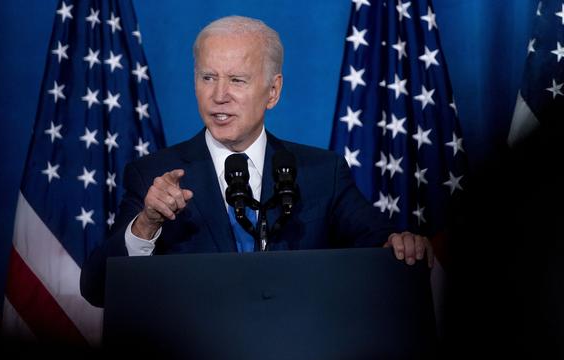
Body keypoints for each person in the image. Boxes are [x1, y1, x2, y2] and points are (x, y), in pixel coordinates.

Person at [80, 15, 433, 307]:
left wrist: (400, 245)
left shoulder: (323, 173)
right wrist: (146, 223)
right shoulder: (153, 177)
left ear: (273, 91)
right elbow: (97, 288)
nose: (219, 96)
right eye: (208, 78)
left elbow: (381, 241)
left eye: (237, 80)